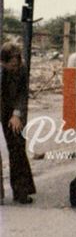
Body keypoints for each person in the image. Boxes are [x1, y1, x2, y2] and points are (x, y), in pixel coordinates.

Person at [0, 42, 36, 204]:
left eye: (17, 63)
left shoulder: (22, 69)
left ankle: (21, 192)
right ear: (3, 62)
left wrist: (16, 114)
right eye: (12, 65)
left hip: (11, 109)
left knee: (17, 147)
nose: (15, 67)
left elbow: (22, 93)